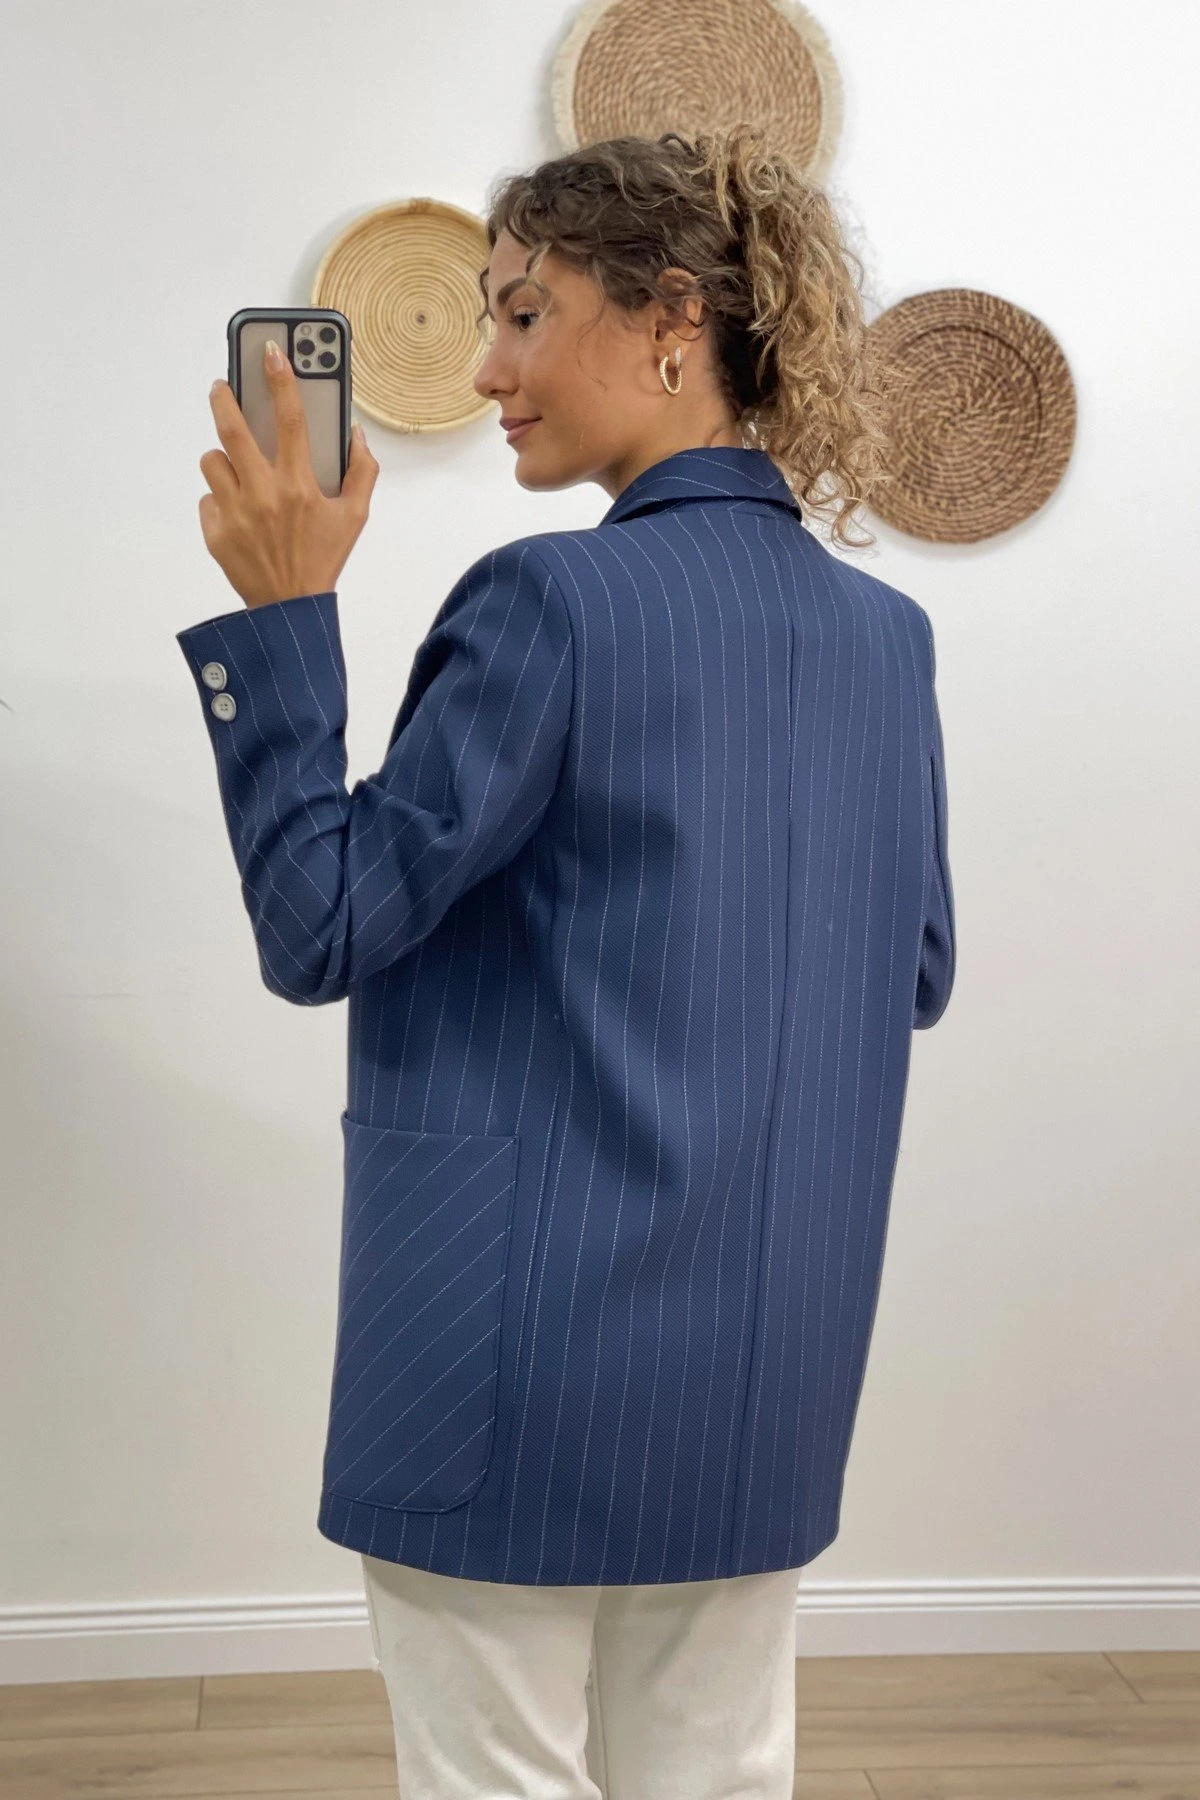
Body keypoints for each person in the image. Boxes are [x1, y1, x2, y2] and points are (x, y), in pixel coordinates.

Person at [179, 124, 955, 1800]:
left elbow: (322, 925)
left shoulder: (553, 601)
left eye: (524, 314)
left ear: (672, 317)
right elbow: (913, 970)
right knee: (717, 1776)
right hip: (767, 1368)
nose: (488, 372)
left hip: (510, 1351)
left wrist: (284, 616)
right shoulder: (887, 639)